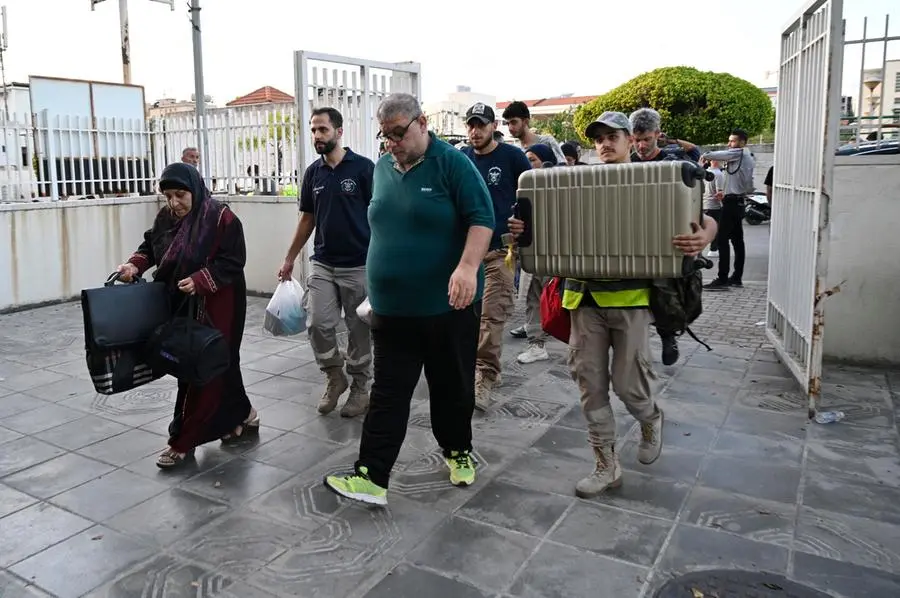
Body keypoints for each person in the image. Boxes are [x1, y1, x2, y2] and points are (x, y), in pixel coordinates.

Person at [508, 112, 717, 498]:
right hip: (582, 300)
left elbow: (704, 219)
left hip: (631, 302)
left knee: (629, 384)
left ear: (628, 140)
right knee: (590, 386)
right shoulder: (575, 182)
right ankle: (605, 464)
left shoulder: (654, 179)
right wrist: (523, 230)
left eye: (612, 136)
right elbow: (544, 226)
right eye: (598, 138)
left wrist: (704, 234)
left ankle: (650, 417)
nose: (604, 143)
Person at [324, 93, 495, 506]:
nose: (392, 144)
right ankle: (371, 476)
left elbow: (482, 218)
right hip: (392, 309)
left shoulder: (452, 163)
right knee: (388, 393)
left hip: (447, 307)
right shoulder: (383, 166)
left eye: (399, 133)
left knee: (450, 386)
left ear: (422, 123)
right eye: (385, 137)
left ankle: (457, 451)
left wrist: (467, 267)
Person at [116, 162, 258, 469]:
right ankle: (242, 415)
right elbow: (151, 247)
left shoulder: (221, 217)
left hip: (221, 302)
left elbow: (234, 261)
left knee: (203, 364)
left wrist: (201, 279)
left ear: (195, 189)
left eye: (181, 195)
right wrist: (133, 266)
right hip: (181, 303)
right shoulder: (166, 218)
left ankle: (183, 440)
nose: (174, 203)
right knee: (219, 364)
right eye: (168, 196)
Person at [278, 107, 374, 418]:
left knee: (359, 331)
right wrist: (290, 258)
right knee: (317, 323)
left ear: (338, 131)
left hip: (359, 265)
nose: (317, 136)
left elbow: (379, 216)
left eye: (323, 130)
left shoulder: (363, 169)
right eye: (314, 130)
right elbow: (308, 218)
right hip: (323, 264)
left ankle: (361, 387)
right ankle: (335, 376)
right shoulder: (313, 173)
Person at [460, 102, 532, 411]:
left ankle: (486, 376)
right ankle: (469, 369)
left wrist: (524, 224)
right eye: (471, 125)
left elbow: (532, 198)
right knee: (464, 318)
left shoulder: (512, 157)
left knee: (492, 316)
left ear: (493, 127)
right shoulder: (461, 158)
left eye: (481, 125)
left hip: (500, 251)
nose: (475, 131)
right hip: (464, 253)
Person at [700, 129, 756, 289]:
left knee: (722, 239)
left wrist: (705, 155)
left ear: (742, 143)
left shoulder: (738, 154)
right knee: (738, 241)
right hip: (737, 201)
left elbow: (712, 155)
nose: (729, 144)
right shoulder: (747, 156)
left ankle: (722, 278)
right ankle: (736, 277)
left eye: (732, 141)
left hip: (732, 202)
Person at [501, 101, 566, 164]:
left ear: (526, 121)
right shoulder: (515, 150)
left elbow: (563, 167)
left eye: (514, 122)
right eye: (508, 124)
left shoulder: (548, 141)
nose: (510, 128)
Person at [629, 108, 701, 163]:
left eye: (647, 139)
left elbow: (694, 150)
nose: (641, 146)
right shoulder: (626, 163)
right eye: (637, 140)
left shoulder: (673, 162)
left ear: (657, 133)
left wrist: (671, 140)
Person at [702, 159, 726, 257]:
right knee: (716, 228)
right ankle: (713, 249)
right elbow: (718, 193)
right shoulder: (719, 174)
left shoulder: (703, 173)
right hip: (714, 206)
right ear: (716, 161)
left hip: (704, 204)